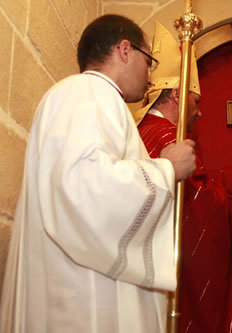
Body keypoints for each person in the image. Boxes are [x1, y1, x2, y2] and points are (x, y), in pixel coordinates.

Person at [0, 14, 197, 333]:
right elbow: (83, 187)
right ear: (125, 50)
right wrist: (166, 170)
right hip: (84, 299)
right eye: (149, 60)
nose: (150, 74)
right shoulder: (88, 93)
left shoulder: (91, 97)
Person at [132, 22, 232, 333]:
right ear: (179, 95)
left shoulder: (147, 133)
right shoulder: (167, 135)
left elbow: (187, 184)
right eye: (197, 102)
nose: (200, 112)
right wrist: (230, 205)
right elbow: (193, 202)